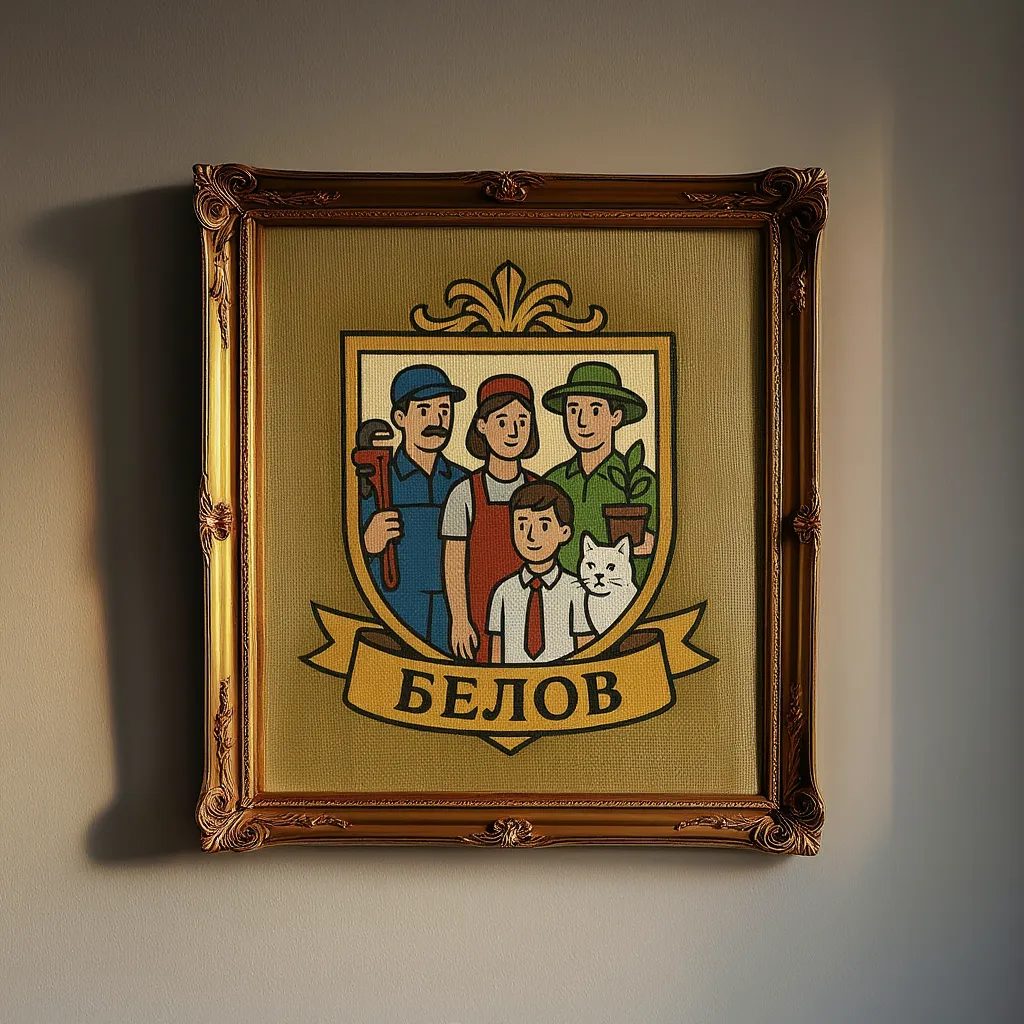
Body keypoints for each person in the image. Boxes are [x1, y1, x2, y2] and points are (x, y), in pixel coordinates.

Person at [360, 364, 468, 652]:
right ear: (400, 418)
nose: (437, 420)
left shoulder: (465, 483)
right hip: (397, 610)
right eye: (424, 410)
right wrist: (367, 544)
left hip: (453, 617)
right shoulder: (376, 483)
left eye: (445, 410)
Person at [440, 374, 539, 662]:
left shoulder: (539, 490)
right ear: (482, 425)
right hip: (479, 613)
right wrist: (460, 620)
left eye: (522, 421)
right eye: (502, 421)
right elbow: (454, 562)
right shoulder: (464, 493)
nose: (513, 432)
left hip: (530, 612)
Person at [541, 361, 658, 585]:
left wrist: (650, 545)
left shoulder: (641, 481)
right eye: (573, 410)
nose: (582, 422)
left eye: (595, 410)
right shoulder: (552, 482)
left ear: (616, 417)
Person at [487, 481, 593, 664]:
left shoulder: (577, 590)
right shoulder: (503, 592)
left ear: (564, 532)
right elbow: (496, 654)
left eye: (544, 526)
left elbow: (587, 649)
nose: (531, 536)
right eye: (522, 526)